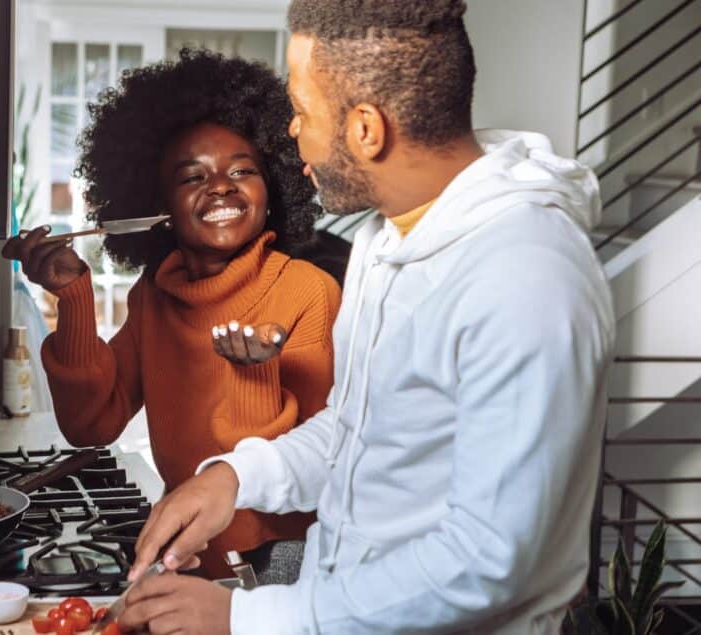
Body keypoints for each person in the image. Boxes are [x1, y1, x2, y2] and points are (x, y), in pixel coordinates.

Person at [120, 1, 616, 633]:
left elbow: (489, 561)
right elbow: (362, 432)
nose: (291, 132)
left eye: (301, 110)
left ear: (365, 130)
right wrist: (234, 477)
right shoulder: (388, 241)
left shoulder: (527, 278)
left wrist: (249, 618)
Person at [4, 49, 341, 581]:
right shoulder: (155, 296)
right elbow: (91, 425)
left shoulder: (308, 291)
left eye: (243, 170)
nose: (222, 185)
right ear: (156, 207)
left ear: (273, 190)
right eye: (192, 176)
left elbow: (318, 465)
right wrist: (73, 298)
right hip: (186, 558)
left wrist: (253, 373)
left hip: (279, 570)